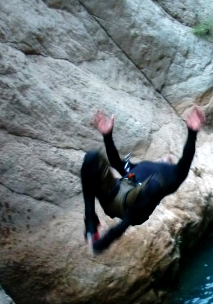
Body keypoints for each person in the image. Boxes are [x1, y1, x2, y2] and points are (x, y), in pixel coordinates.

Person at [81, 106, 205, 253]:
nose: (168, 157)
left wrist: (192, 133)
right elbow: (115, 162)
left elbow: (185, 160)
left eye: (170, 159)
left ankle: (112, 235)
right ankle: (91, 221)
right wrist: (107, 136)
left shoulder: (174, 175)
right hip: (114, 194)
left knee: (155, 183)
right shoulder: (140, 167)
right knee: (92, 158)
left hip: (132, 207)